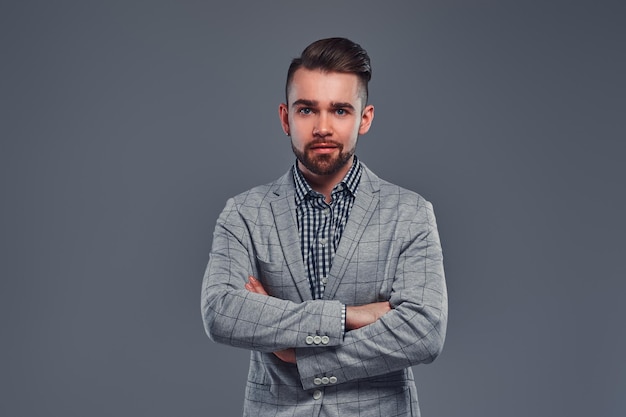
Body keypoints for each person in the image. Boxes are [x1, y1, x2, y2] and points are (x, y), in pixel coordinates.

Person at [201, 37, 448, 417]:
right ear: (286, 118)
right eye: (307, 110)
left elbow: (425, 332)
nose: (322, 127)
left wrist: (302, 360)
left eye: (340, 111)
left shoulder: (410, 212)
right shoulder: (245, 214)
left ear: (364, 118)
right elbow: (221, 311)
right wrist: (347, 315)